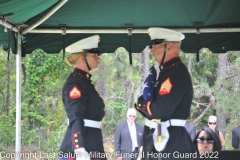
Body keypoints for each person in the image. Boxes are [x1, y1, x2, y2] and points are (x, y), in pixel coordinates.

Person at [135, 27, 196, 160]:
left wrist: (141, 103)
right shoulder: (167, 72)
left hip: (172, 144)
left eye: (154, 45)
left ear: (169, 46)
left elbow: (159, 111)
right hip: (165, 140)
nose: (151, 50)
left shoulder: (175, 74)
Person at [58, 35, 106, 160]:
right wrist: (79, 147)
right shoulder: (76, 83)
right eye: (94, 54)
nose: (98, 58)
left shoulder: (84, 81)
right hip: (81, 147)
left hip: (92, 144)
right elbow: (75, 115)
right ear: (82, 57)